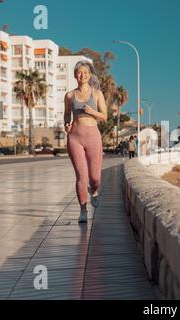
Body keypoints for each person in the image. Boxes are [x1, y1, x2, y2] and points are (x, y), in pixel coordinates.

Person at [63, 60, 107, 224]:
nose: (82, 75)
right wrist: (66, 124)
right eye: (79, 72)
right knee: (81, 176)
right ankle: (83, 210)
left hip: (93, 136)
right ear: (75, 75)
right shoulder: (69, 95)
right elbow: (67, 114)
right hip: (75, 137)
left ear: (89, 75)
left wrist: (92, 111)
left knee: (95, 177)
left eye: (85, 72)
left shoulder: (97, 94)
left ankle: (94, 192)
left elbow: (105, 116)